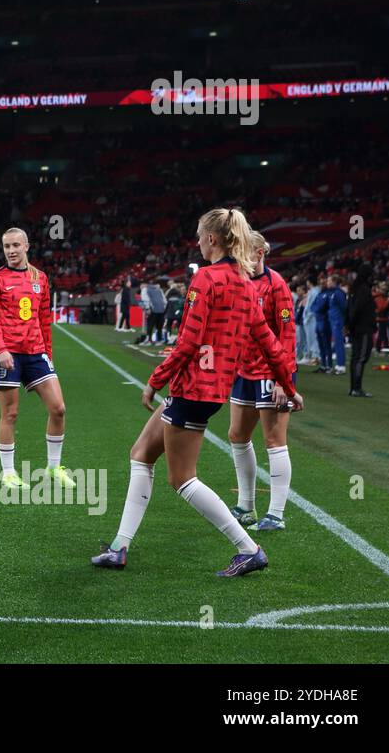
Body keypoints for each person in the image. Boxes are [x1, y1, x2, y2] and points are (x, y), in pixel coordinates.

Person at [91, 208, 302, 577]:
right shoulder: (245, 282)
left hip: (193, 388)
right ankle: (119, 547)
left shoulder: (206, 278)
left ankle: (248, 548)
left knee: (182, 479)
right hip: (214, 390)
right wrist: (288, 385)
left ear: (213, 239)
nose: (198, 241)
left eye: (200, 235)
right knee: (141, 454)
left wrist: (156, 378)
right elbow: (271, 344)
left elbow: (188, 341)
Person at [0, 228, 72, 491]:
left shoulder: (40, 278)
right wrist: (1, 349)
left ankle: (54, 467)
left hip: (36, 352)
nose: (10, 251)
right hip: (6, 353)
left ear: (26, 246)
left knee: (58, 408)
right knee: (10, 414)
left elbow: (44, 319)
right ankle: (8, 472)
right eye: (6, 246)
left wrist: (50, 356)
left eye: (15, 245)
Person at [227, 232, 298, 532]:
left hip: (271, 373)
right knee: (237, 435)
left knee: (273, 440)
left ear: (258, 253)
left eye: (243, 250)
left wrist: (284, 379)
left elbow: (288, 334)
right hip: (243, 371)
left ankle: (276, 514)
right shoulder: (239, 281)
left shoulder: (276, 284)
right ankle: (246, 506)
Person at [346, 264, 376, 397]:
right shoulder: (364, 290)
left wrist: (348, 325)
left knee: (356, 358)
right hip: (363, 328)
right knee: (361, 358)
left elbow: (350, 309)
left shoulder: (355, 289)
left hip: (356, 328)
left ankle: (354, 388)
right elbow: (357, 309)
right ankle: (356, 388)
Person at [325, 274, 348, 375]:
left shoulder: (338, 293)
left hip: (338, 321)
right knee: (336, 343)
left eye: (329, 281)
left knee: (339, 343)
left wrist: (343, 322)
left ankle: (341, 366)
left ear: (334, 282)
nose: (327, 283)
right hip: (333, 321)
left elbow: (344, 307)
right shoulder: (333, 292)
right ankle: (338, 364)